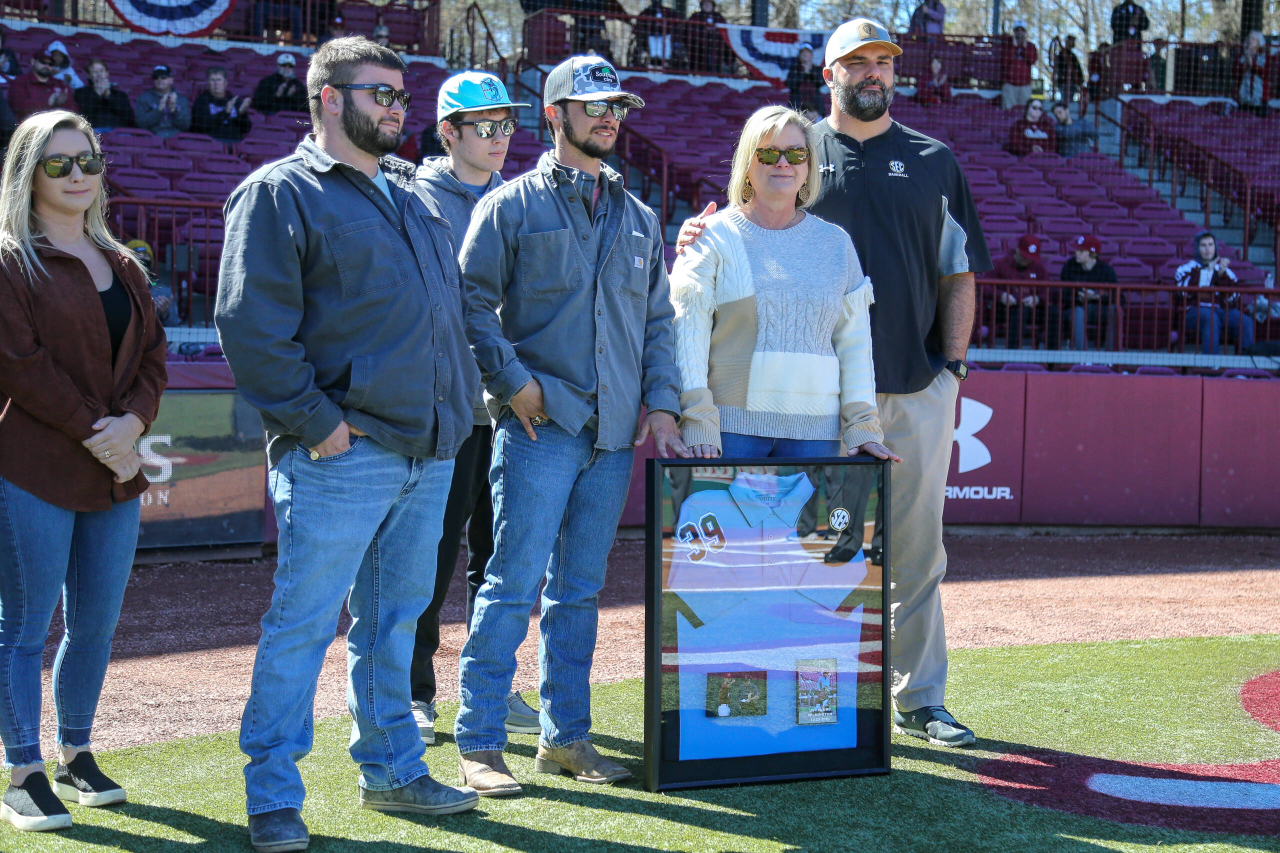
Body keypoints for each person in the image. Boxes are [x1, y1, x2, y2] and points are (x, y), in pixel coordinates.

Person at [679, 16, 992, 746]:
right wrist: (697, 234)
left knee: (917, 551)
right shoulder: (796, 148)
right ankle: (808, 709)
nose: (872, 72)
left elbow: (959, 272)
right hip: (812, 402)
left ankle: (920, 698)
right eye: (857, 62)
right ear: (830, 75)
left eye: (883, 61)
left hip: (912, 386)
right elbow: (746, 225)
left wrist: (951, 368)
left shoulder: (934, 160)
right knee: (812, 557)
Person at [214, 36, 481, 852]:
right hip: (342, 453)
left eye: (402, 95)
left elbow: (444, 318)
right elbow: (251, 330)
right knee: (302, 625)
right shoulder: (278, 193)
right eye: (380, 94)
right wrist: (317, 423)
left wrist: (453, 417)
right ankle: (272, 795)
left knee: (395, 623)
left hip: (429, 450)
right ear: (329, 98)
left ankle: (393, 770)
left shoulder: (410, 195)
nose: (397, 108)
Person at [454, 55, 688, 795]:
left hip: (613, 435)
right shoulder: (510, 206)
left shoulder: (640, 216)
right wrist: (512, 383)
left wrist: (663, 400)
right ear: (553, 116)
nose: (609, 118)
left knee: (578, 592)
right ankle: (479, 740)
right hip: (537, 427)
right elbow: (468, 304)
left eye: (616, 106)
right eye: (593, 106)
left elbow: (658, 322)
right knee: (510, 585)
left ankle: (565, 739)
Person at [0, 110, 167, 832]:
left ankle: (76, 752)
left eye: (88, 160)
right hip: (33, 466)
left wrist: (132, 424)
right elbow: (20, 366)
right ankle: (22, 771)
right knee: (23, 626)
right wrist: (102, 433)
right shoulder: (10, 259)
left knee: (95, 622)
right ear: (27, 173)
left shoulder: (122, 261)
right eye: (59, 162)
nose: (78, 174)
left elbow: (153, 355)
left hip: (114, 466)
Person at [409, 70, 537, 747]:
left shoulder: (519, 200)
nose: (499, 137)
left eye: (506, 125)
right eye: (484, 125)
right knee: (429, 555)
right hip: (447, 406)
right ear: (448, 132)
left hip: (510, 405)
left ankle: (491, 685)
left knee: (500, 558)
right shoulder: (416, 199)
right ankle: (413, 690)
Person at [669, 104, 896, 466]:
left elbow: (854, 346)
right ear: (747, 163)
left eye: (795, 153)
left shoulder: (836, 244)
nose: (783, 163)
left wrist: (863, 428)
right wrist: (697, 420)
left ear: (808, 166)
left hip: (816, 436)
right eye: (768, 153)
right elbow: (687, 337)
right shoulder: (710, 236)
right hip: (728, 433)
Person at [1176, 230, 1250, 355]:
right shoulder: (1185, 269)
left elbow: (1232, 298)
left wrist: (1221, 276)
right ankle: (1212, 363)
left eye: (1211, 245)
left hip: (1220, 310)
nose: (1207, 249)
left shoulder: (1225, 270)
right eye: (1203, 245)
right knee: (1210, 317)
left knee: (1245, 321)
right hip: (1193, 311)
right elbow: (1183, 293)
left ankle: (1245, 365)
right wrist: (1208, 271)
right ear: (1197, 248)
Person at [1049, 234, 1117, 350]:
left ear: (1092, 254)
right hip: (1076, 307)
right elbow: (1063, 295)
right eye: (1077, 250)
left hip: (1099, 308)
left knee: (1114, 310)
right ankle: (1083, 354)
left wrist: (1097, 297)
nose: (1077, 253)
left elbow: (1119, 297)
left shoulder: (1106, 271)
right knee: (1078, 312)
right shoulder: (1069, 267)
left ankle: (1110, 354)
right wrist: (1078, 298)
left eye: (1081, 251)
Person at [991, 234, 1049, 347]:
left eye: (1030, 257)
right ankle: (1012, 352)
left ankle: (1054, 354)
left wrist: (1037, 298)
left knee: (1054, 312)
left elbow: (1048, 290)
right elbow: (985, 287)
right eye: (1024, 256)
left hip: (1033, 310)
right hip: (1004, 309)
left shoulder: (1038, 267)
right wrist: (1001, 295)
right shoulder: (1000, 264)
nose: (1027, 260)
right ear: (1017, 249)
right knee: (1021, 311)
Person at [192, 66, 253, 143]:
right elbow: (201, 126)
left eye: (219, 80)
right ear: (207, 82)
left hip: (234, 142)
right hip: (210, 143)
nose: (216, 84)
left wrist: (242, 114)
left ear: (225, 82)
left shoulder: (236, 101)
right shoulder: (201, 100)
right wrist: (225, 112)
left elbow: (246, 129)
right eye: (212, 80)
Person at [8, 49, 71, 121]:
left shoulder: (60, 84)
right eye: (43, 62)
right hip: (28, 125)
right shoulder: (20, 81)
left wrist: (61, 103)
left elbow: (73, 110)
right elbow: (19, 107)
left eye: (50, 64)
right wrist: (48, 102)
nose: (47, 66)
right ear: (33, 62)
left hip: (55, 125)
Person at [74, 60, 135, 131]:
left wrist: (109, 96)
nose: (99, 74)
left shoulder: (120, 95)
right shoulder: (81, 92)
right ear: (89, 75)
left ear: (107, 73)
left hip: (118, 131)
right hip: (93, 131)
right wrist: (97, 93)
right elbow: (82, 115)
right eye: (94, 72)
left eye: (101, 71)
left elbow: (128, 117)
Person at [135, 65, 191, 139]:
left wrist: (174, 110)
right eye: (156, 77)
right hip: (151, 139)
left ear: (171, 80)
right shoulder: (144, 98)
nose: (159, 80)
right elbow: (140, 124)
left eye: (163, 77)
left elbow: (186, 126)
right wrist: (158, 110)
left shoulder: (182, 100)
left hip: (176, 140)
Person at [1001, 21, 1037, 110]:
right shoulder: (1007, 45)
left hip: (1025, 85)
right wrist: (1014, 47)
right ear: (1014, 32)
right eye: (1017, 30)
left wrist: (1024, 48)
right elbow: (1005, 62)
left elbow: (1032, 60)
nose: (1020, 32)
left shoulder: (1031, 46)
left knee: (1025, 110)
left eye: (1022, 30)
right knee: (1008, 110)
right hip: (1010, 85)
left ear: (1025, 32)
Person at [688, 0, 728, 73]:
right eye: (705, 3)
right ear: (701, 5)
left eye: (709, 3)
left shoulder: (718, 17)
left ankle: (719, 71)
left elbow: (724, 29)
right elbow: (691, 30)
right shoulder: (696, 16)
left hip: (716, 45)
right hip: (699, 45)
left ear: (712, 5)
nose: (707, 5)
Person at [1237, 31, 1269, 117]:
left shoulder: (1265, 56)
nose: (1250, 41)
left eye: (1253, 39)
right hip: (1244, 97)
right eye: (1249, 38)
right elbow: (1236, 73)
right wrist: (1246, 57)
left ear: (1259, 42)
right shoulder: (1241, 56)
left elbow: (1266, 73)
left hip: (1260, 97)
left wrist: (1252, 64)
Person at [785, 44, 825, 112]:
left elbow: (821, 82)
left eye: (807, 52)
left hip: (815, 108)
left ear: (811, 55)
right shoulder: (794, 69)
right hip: (797, 107)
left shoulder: (817, 69)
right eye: (803, 52)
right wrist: (804, 73)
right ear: (799, 55)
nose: (805, 54)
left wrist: (810, 71)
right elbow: (790, 84)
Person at [635, 0, 675, 67]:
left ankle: (665, 62)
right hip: (650, 37)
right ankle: (652, 61)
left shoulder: (668, 12)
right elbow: (639, 27)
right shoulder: (646, 12)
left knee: (666, 41)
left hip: (665, 37)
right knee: (652, 41)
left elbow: (675, 25)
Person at [1054, 35, 1084, 103]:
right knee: (1066, 101)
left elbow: (1077, 69)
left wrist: (1080, 80)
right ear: (1067, 41)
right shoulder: (1062, 54)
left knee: (1069, 101)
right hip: (1064, 83)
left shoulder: (1072, 55)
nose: (1073, 42)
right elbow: (1060, 69)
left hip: (1072, 83)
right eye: (1071, 40)